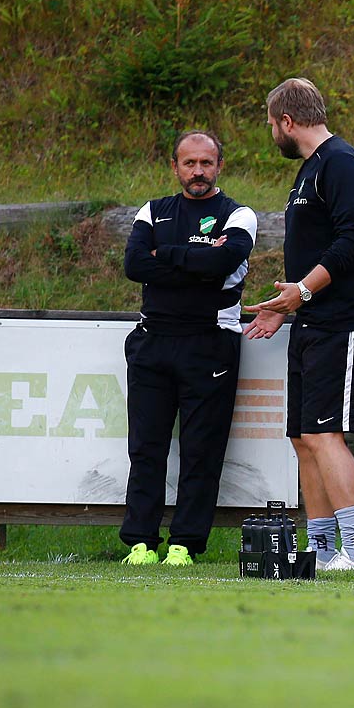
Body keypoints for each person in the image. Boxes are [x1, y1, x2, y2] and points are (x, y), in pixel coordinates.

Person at [244, 77, 354, 572]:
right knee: (303, 437)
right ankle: (325, 553)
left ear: (287, 121)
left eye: (271, 125)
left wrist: (303, 292)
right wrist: (284, 304)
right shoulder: (310, 170)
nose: (272, 135)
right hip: (310, 322)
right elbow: (314, 254)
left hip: (344, 324)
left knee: (328, 435)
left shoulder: (341, 163)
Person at [118, 130, 256, 566]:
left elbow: (220, 265)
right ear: (174, 166)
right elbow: (134, 265)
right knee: (146, 448)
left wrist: (166, 256)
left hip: (209, 343)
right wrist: (193, 262)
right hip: (152, 341)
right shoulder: (153, 210)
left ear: (220, 166)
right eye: (189, 163)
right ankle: (140, 541)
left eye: (206, 163)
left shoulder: (239, 215)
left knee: (201, 450)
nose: (198, 171)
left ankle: (185, 544)